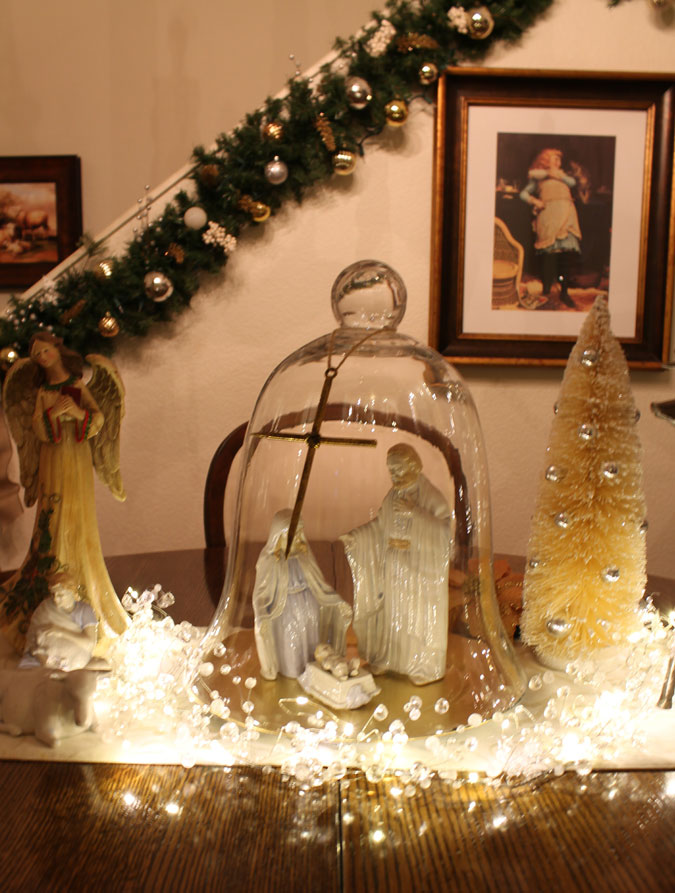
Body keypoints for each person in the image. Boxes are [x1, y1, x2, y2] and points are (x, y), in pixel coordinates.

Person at [0, 332, 128, 654]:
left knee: (77, 514)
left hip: (77, 458)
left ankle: (85, 586)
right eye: (37, 355)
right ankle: (49, 585)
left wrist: (78, 413)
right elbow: (37, 427)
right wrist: (54, 414)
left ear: (57, 351)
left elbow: (98, 419)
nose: (42, 357)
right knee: (52, 512)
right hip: (53, 459)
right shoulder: (43, 392)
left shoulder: (78, 385)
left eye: (45, 351)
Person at [340, 443, 452, 685]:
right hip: (394, 566)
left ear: (414, 466)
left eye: (399, 469)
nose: (395, 475)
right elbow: (381, 525)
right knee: (393, 615)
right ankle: (389, 658)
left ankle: (421, 665)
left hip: (419, 570)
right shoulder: (393, 495)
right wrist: (357, 536)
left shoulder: (430, 496)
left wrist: (416, 513)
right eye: (391, 470)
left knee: (415, 617)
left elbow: (445, 533)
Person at [253, 509, 352, 680]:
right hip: (286, 609)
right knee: (292, 642)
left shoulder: (304, 556)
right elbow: (261, 593)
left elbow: (319, 583)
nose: (297, 537)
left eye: (300, 532)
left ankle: (313, 673)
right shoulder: (269, 561)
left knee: (312, 643)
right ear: (278, 536)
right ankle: (293, 673)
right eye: (292, 534)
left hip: (309, 606)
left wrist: (336, 602)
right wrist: (262, 614)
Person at [519, 147, 582, 307]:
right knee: (549, 256)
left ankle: (564, 292)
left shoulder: (563, 177)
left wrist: (557, 175)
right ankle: (546, 291)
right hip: (549, 216)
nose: (558, 161)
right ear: (546, 160)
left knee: (566, 255)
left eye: (559, 159)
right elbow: (523, 194)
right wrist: (535, 201)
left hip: (566, 215)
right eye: (555, 158)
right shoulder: (537, 177)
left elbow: (572, 182)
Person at [19, 570, 98, 670]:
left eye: (60, 595)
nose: (56, 599)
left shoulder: (85, 610)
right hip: (45, 657)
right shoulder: (45, 607)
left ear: (72, 592)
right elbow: (32, 638)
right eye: (53, 595)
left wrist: (60, 631)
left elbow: (90, 644)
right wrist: (42, 658)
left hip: (75, 659)